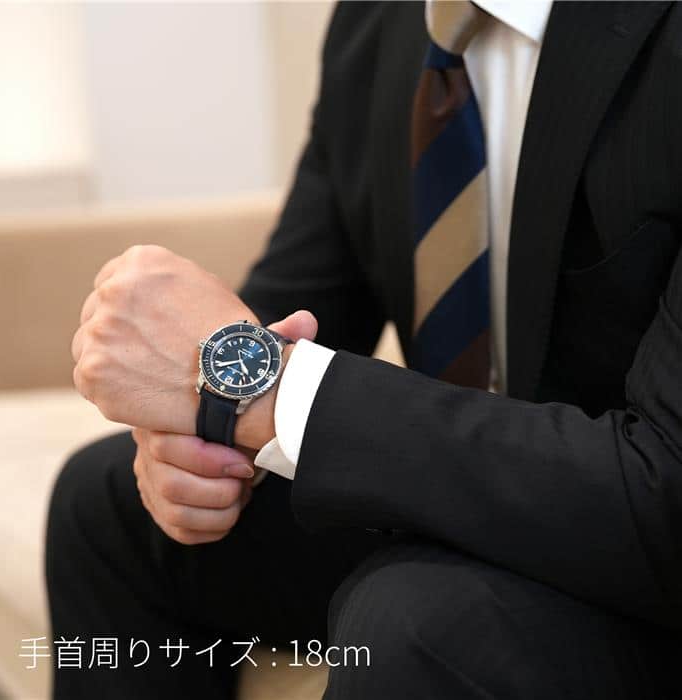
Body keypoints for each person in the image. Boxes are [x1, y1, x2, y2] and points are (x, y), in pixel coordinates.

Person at [46, 1, 682, 698]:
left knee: (416, 623)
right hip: (475, 498)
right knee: (105, 505)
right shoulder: (383, 18)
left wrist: (260, 387)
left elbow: (665, 490)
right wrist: (197, 428)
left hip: (638, 544)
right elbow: (294, 309)